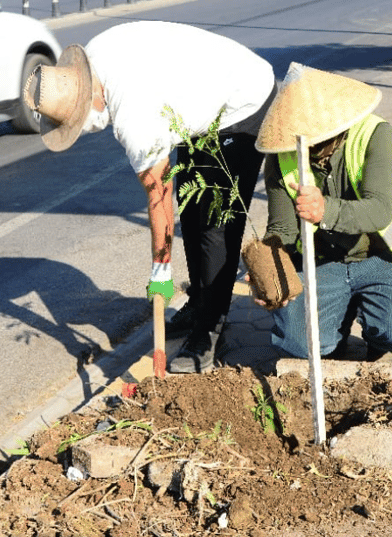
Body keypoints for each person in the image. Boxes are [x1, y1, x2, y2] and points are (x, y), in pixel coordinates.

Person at [22, 20, 275, 373]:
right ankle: (201, 301)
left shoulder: (134, 116)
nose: (90, 126)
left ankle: (210, 328)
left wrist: (160, 274)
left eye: (80, 120)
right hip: (198, 101)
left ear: (91, 98)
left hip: (243, 99)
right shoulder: (95, 59)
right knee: (191, 207)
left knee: (216, 224)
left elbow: (159, 200)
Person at [251, 62, 392, 360]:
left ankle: (378, 340)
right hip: (324, 262)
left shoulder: (376, 136)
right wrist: (270, 266)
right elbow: (283, 228)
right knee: (302, 345)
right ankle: (336, 330)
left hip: (381, 257)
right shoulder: (283, 153)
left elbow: (378, 211)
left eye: (315, 141)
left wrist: (325, 210)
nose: (306, 149)